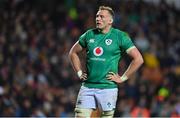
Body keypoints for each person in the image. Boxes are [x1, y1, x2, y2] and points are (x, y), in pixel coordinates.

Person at [69, 6, 144, 117]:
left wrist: (122, 78)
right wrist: (79, 73)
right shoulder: (89, 34)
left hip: (108, 88)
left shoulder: (120, 36)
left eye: (102, 16)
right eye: (97, 16)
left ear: (110, 20)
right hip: (87, 87)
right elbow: (72, 53)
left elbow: (138, 59)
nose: (98, 19)